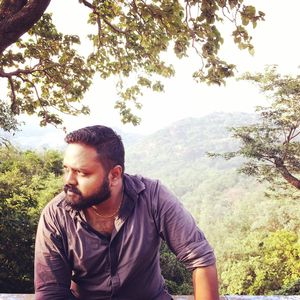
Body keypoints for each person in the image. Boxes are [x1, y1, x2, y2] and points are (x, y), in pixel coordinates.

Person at [34, 125, 219, 300]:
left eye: (81, 173)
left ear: (114, 175)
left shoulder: (153, 197)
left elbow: (201, 259)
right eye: (66, 169)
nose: (69, 181)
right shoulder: (56, 214)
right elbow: (51, 291)